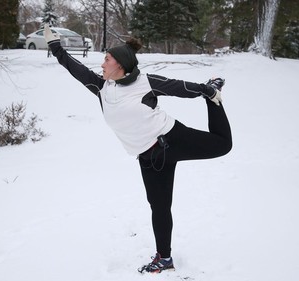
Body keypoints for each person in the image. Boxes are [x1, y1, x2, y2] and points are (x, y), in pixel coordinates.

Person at [44, 24, 232, 274]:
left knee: (223, 144)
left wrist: (206, 90)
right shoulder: (103, 89)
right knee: (160, 207)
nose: (102, 64)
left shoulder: (145, 83)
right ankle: (164, 259)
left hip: (172, 139)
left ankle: (215, 97)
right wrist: (56, 47)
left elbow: (179, 87)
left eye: (106, 59)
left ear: (120, 65)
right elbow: (75, 69)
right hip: (149, 157)